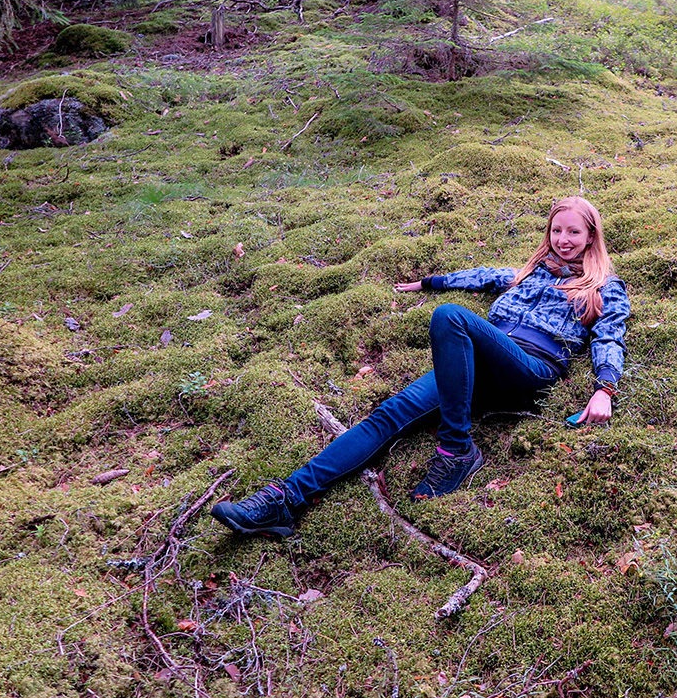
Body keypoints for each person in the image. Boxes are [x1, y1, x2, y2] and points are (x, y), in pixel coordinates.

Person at [210, 196, 630, 537]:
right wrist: (429, 282)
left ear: (591, 235)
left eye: (574, 232)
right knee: (389, 413)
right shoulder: (528, 273)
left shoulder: (604, 286)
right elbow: (483, 275)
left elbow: (610, 336)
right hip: (478, 365)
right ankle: (283, 499)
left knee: (451, 316)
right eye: (557, 230)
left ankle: (456, 449)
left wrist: (604, 389)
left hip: (531, 369)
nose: (564, 239)